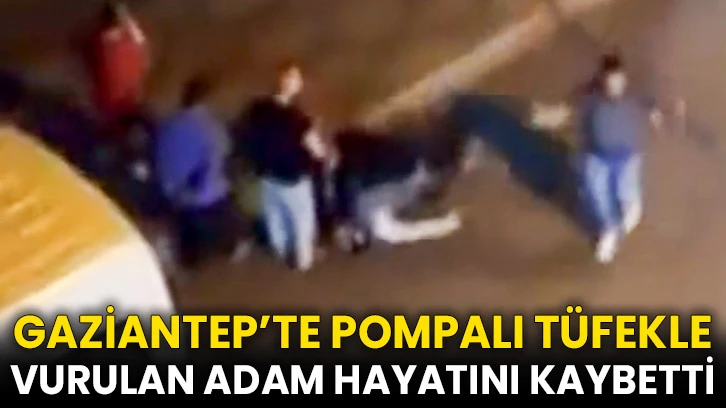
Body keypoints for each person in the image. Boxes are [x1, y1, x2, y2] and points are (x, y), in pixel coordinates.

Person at [155, 75, 250, 272]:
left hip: (172, 192)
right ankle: (231, 247)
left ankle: (189, 261)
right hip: (204, 196)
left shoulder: (168, 124)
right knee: (227, 221)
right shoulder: (211, 128)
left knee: (187, 234)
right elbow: (221, 157)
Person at [240, 62, 327, 273]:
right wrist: (324, 154)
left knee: (275, 216)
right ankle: (303, 260)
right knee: (302, 219)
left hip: (267, 174)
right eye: (296, 78)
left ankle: (280, 250)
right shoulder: (297, 117)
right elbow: (316, 149)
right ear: (290, 83)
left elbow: (248, 137)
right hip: (293, 177)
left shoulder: (258, 109)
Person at [579, 53, 665, 264]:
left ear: (624, 78)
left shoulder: (635, 92)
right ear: (601, 78)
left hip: (628, 156)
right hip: (597, 155)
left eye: (618, 80)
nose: (614, 86)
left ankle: (629, 212)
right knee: (596, 193)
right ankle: (610, 228)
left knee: (627, 193)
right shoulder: (589, 95)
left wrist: (655, 113)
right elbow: (571, 108)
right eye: (610, 81)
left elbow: (649, 101)